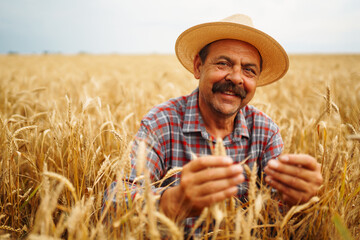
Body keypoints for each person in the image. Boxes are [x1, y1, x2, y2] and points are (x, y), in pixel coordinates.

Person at [125, 14, 323, 235]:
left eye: (249, 70)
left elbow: (274, 217)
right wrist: (173, 201)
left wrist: (298, 201)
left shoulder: (266, 132)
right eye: (223, 63)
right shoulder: (161, 122)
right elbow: (117, 196)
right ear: (198, 67)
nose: (237, 78)